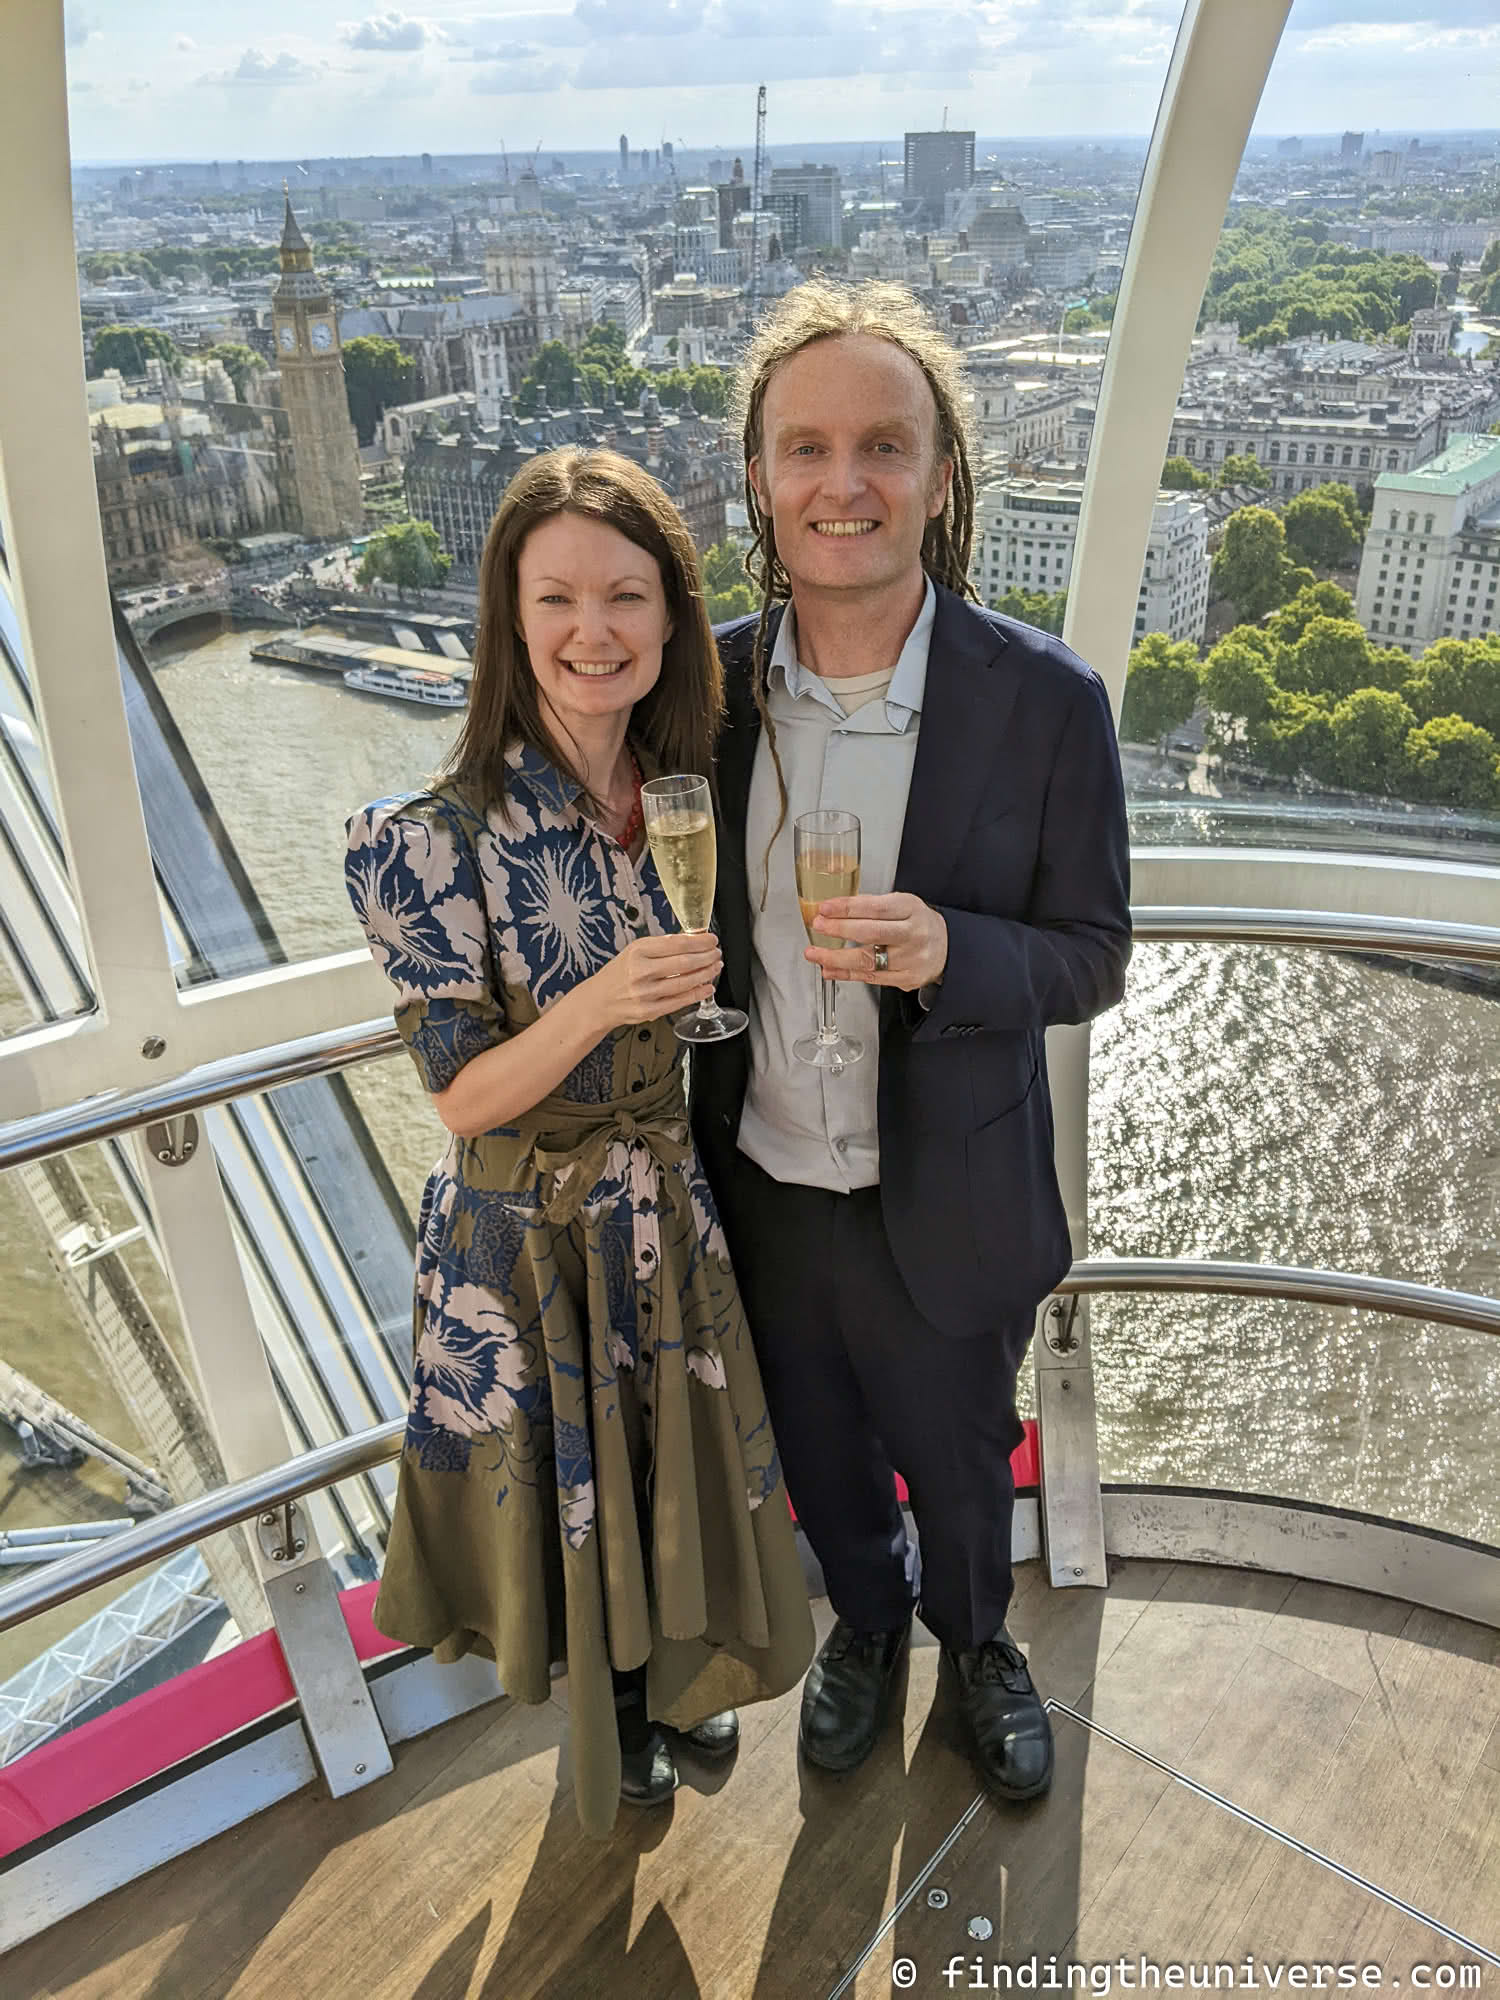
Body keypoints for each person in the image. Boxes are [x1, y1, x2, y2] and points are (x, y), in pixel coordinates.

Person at [690, 282, 1131, 1803]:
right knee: (818, 1447)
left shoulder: (1051, 703)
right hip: (764, 1176)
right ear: (759, 477)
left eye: (886, 444)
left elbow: (1094, 955)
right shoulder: (710, 687)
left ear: (942, 477)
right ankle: (864, 1632)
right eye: (805, 447)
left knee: (959, 1456)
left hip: (945, 1184)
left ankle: (981, 1640)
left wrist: (953, 953)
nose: (844, 482)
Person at [344, 447, 814, 1838]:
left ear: (673, 618)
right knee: (575, 1483)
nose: (592, 632)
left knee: (664, 1462)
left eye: (626, 596)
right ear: (511, 617)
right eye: (556, 598)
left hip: (660, 1202)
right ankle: (615, 1715)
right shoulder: (422, 838)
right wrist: (610, 995)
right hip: (524, 1231)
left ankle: (670, 1673)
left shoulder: (681, 800)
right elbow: (462, 1098)